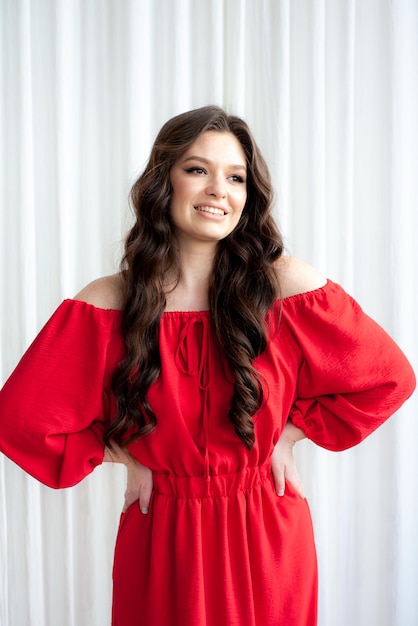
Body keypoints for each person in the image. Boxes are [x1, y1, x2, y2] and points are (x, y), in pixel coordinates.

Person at [0, 105, 415, 626]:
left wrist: (290, 433)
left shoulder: (286, 288)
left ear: (248, 195)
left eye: (235, 177)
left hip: (266, 534)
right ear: (162, 181)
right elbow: (19, 419)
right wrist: (122, 453)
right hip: (161, 536)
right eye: (198, 169)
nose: (219, 189)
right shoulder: (109, 304)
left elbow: (389, 377)